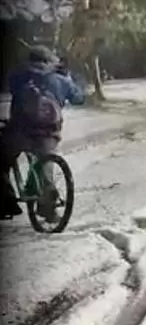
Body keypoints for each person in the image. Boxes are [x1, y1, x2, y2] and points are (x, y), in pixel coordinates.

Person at [1, 45, 85, 221]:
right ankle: (48, 210)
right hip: (48, 134)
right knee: (44, 166)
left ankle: (6, 202)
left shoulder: (19, 76)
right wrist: (67, 77)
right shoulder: (60, 79)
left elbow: (11, 84)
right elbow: (79, 98)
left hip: (20, 131)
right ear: (49, 61)